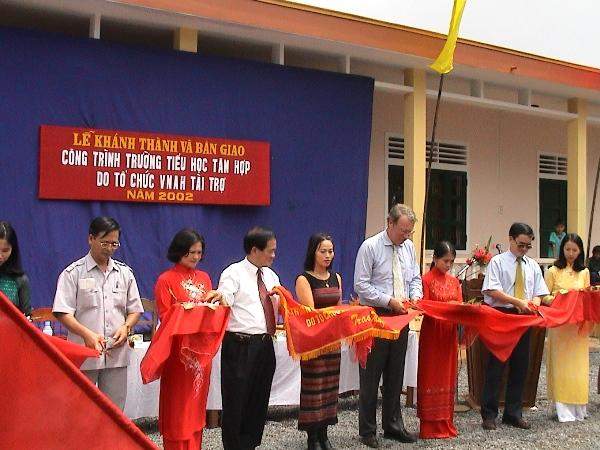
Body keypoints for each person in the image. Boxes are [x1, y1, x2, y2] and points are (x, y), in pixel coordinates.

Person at [52, 217, 143, 410]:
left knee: (114, 412)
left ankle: (110, 442)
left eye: (114, 243)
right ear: (90, 239)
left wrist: (127, 327)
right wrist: (87, 335)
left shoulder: (125, 273)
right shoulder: (73, 273)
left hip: (116, 353)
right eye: (104, 242)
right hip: (83, 354)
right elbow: (62, 312)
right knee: (79, 411)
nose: (109, 248)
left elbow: (134, 309)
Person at [354, 204, 422, 448]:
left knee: (396, 374)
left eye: (409, 232)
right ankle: (367, 430)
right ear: (389, 223)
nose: (406, 236)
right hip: (376, 315)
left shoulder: (409, 248)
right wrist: (388, 301)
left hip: (401, 316)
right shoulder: (370, 247)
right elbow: (361, 286)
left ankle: (393, 424)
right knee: (371, 375)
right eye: (403, 231)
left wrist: (415, 296)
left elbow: (415, 277)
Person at [154, 229, 225, 450]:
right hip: (178, 354)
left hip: (201, 353)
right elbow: (165, 317)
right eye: (191, 252)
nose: (196, 257)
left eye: (199, 252)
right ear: (179, 251)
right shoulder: (165, 280)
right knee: (177, 405)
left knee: (196, 404)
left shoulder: (204, 278)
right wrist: (187, 312)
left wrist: (215, 304)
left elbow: (211, 313)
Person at [480, 222, 549, 430]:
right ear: (511, 239)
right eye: (521, 245)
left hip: (524, 318)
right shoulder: (498, 262)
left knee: (521, 366)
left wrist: (534, 303)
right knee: (496, 365)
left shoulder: (532, 265)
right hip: (503, 315)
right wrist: (516, 301)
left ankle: (513, 412)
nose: (524, 249)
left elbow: (539, 292)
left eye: (528, 246)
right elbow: (491, 289)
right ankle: (489, 414)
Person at [217, 226, 280, 450]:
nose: (273, 255)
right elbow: (225, 295)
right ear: (255, 250)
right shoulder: (233, 273)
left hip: (265, 345)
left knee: (259, 400)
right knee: (236, 401)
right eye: (270, 251)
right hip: (240, 345)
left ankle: (250, 444)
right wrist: (220, 297)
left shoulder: (271, 276)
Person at [295, 233, 342, 450]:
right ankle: (312, 437)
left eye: (330, 251)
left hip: (333, 342)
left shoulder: (337, 277)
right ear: (313, 252)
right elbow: (312, 313)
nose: (327, 255)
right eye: (323, 251)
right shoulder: (304, 279)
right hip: (314, 343)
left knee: (330, 388)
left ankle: (324, 434)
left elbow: (339, 309)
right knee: (314, 389)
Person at [417, 241, 462, 439]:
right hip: (432, 334)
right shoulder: (425, 280)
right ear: (434, 259)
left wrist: (458, 308)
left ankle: (446, 421)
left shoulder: (455, 282)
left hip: (449, 334)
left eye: (451, 261)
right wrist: (447, 307)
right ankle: (429, 425)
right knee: (431, 374)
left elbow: (460, 306)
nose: (448, 265)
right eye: (445, 261)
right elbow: (424, 306)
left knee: (447, 375)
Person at [544, 233, 590, 422]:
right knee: (561, 365)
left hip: (578, 326)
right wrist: (560, 298)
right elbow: (544, 296)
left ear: (580, 252)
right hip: (560, 325)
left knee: (578, 366)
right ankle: (562, 408)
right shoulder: (553, 271)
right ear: (562, 249)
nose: (571, 253)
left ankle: (579, 407)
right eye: (567, 249)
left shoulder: (584, 272)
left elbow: (587, 297)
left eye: (575, 250)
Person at [0, 221, 31, 316]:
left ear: (13, 250)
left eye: (5, 250)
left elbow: (26, 316)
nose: (0, 256)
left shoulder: (20, 280)